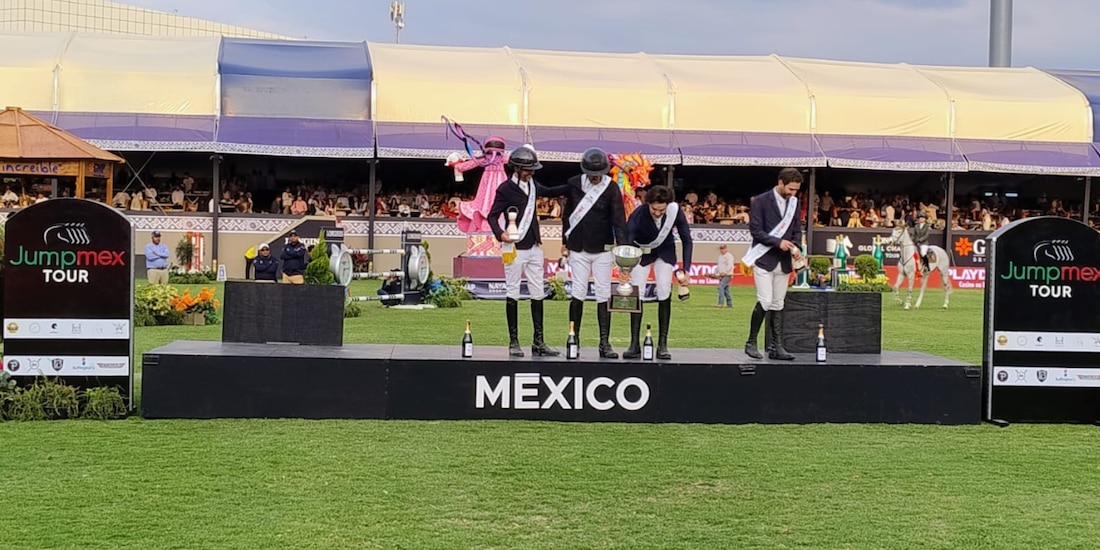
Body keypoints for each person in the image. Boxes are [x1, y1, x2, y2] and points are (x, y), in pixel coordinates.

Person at [487, 146, 568, 357]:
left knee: (538, 292)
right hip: (515, 248)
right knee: (513, 292)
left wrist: (573, 185)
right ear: (516, 168)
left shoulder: (533, 185)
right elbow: (492, 216)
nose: (531, 172)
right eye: (527, 169)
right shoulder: (505, 189)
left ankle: (538, 341)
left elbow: (550, 191)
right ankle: (513, 342)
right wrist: (500, 234)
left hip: (534, 246)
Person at [561, 147, 629, 359]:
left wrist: (623, 251)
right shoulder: (574, 184)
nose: (596, 178)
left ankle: (604, 343)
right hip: (578, 246)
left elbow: (619, 220)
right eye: (592, 175)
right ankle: (573, 338)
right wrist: (565, 241)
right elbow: (568, 215)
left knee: (603, 293)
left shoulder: (611, 188)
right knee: (578, 292)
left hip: (603, 249)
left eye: (599, 174)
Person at [622, 185, 693, 360]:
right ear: (648, 204)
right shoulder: (638, 214)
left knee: (664, 290)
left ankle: (662, 344)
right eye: (654, 209)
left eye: (662, 210)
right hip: (641, 252)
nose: (657, 213)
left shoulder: (675, 211)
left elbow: (686, 239)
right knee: (637, 292)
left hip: (665, 251)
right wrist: (626, 268)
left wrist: (686, 268)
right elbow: (628, 240)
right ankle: (634, 344)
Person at [742, 168, 803, 361]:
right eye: (791, 189)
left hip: (784, 261)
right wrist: (778, 242)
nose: (793, 193)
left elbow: (796, 229)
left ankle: (777, 346)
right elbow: (756, 231)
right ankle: (751, 342)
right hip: (764, 258)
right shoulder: (760, 201)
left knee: (778, 303)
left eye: (796, 190)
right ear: (781, 183)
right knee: (765, 300)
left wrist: (797, 246)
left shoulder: (794, 203)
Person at [715, 244, 735, 308]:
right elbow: (719, 266)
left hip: (727, 274)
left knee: (720, 287)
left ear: (726, 249)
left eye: (723, 249)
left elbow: (730, 265)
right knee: (726, 289)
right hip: (721, 275)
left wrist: (725, 272)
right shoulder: (720, 257)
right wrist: (717, 273)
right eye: (721, 249)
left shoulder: (729, 256)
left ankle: (720, 303)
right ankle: (729, 304)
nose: (722, 250)